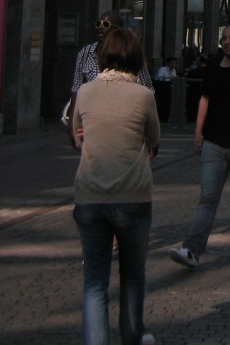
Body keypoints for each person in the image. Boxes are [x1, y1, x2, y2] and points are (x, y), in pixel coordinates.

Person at [71, 28, 160, 345]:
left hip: (90, 195)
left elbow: (76, 133)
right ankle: (132, 336)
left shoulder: (85, 92)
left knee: (94, 281)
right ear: (137, 57)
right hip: (132, 195)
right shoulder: (143, 96)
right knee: (132, 274)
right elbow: (154, 139)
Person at [169, 24, 230, 268]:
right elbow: (205, 99)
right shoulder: (213, 67)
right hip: (214, 142)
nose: (227, 42)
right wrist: (198, 131)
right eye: (224, 38)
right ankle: (193, 249)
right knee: (207, 197)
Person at [71, 11, 154, 101]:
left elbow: (147, 89)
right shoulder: (86, 53)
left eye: (106, 24)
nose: (100, 27)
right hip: (93, 109)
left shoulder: (131, 53)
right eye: (98, 24)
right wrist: (72, 115)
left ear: (118, 30)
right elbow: (76, 88)